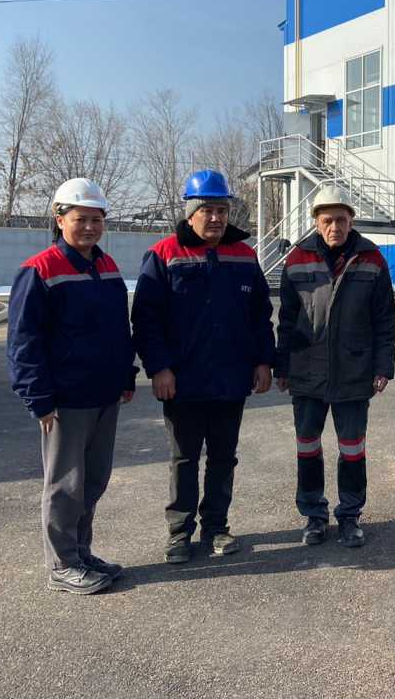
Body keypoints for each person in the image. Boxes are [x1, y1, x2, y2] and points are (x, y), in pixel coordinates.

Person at [132, 169, 275, 564]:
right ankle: (179, 533)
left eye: (222, 210)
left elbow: (260, 315)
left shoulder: (244, 255)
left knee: (224, 458)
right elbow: (146, 319)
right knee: (184, 459)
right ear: (190, 213)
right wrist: (159, 368)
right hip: (182, 381)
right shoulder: (164, 255)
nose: (215, 218)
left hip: (231, 379)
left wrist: (264, 360)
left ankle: (216, 527)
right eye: (207, 210)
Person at [7, 178, 136, 595]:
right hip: (65, 399)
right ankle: (62, 565)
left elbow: (118, 329)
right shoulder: (40, 270)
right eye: (81, 219)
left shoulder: (107, 266)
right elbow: (23, 341)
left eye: (97, 219)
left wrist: (125, 376)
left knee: (93, 480)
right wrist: (38, 398)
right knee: (65, 485)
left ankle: (81, 552)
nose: (90, 227)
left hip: (104, 394)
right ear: (59, 218)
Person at [274, 186, 395, 548]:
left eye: (341, 220)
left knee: (353, 448)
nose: (335, 227)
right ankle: (314, 516)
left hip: (354, 371)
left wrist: (383, 366)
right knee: (307, 446)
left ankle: (350, 516)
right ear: (316, 222)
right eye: (327, 220)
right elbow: (286, 319)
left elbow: (384, 321)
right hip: (307, 370)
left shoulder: (371, 259)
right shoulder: (297, 259)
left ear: (351, 221)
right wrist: (282, 366)